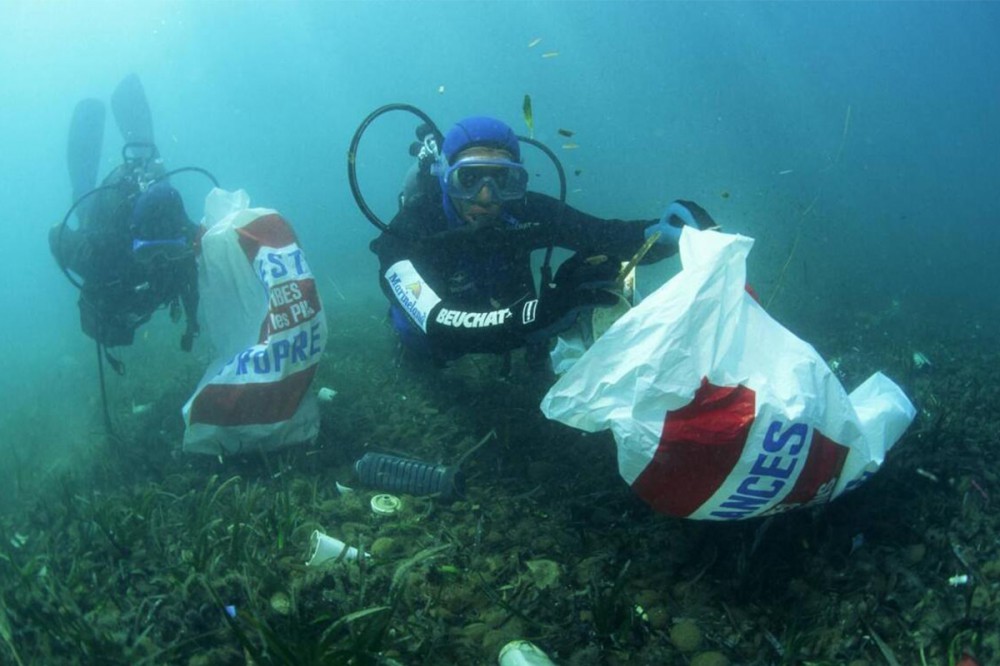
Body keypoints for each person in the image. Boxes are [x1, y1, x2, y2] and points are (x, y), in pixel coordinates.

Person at [370, 115, 717, 370]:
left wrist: (663, 234)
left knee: (594, 265)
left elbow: (605, 236)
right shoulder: (411, 228)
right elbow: (436, 321)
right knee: (422, 348)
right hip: (439, 334)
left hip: (511, 320)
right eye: (470, 178)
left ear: (518, 180)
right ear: (447, 178)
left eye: (503, 179)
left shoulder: (523, 210)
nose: (487, 197)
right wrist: (545, 312)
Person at [50, 161, 202, 351]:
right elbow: (56, 235)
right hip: (102, 217)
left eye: (171, 251)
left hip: (151, 212)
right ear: (132, 240)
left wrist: (191, 325)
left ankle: (149, 160)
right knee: (84, 206)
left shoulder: (186, 249)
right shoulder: (101, 254)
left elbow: (190, 283)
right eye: (148, 252)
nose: (158, 260)